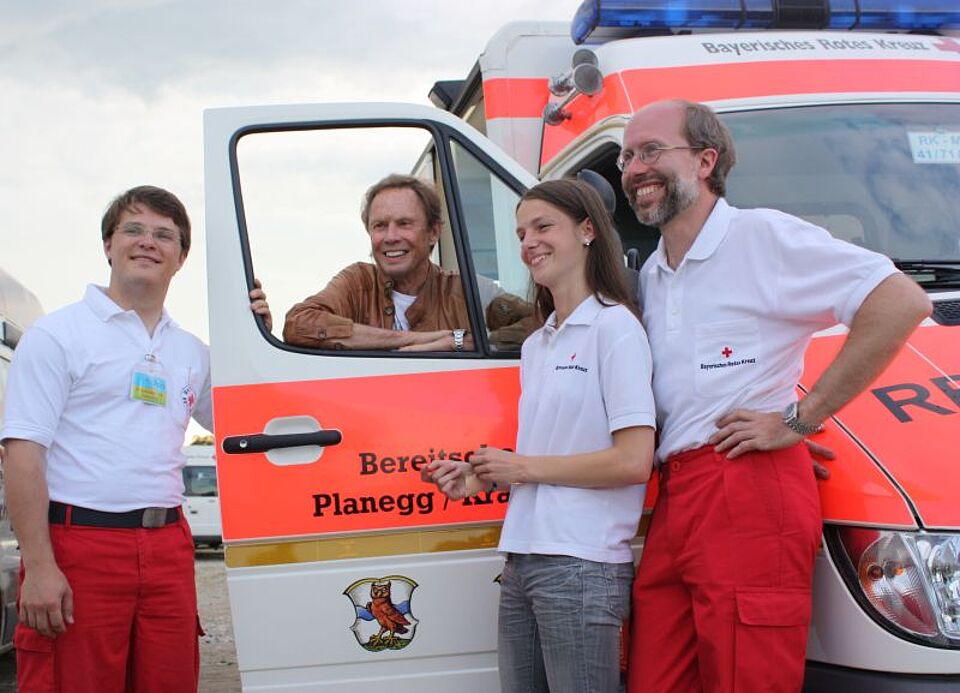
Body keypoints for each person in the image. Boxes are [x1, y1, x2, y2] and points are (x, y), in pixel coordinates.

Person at [620, 100, 932, 692]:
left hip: (746, 490)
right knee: (655, 679)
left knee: (749, 678)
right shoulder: (653, 275)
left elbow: (901, 301)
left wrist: (798, 421)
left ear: (706, 160)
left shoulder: (760, 236)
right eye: (627, 157)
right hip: (678, 493)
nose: (635, 169)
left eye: (652, 151)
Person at [0, 185, 270, 692]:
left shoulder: (191, 352)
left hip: (168, 546)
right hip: (80, 544)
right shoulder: (57, 335)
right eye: (134, 229)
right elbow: (22, 454)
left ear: (181, 257)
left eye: (164, 235)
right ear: (108, 245)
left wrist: (255, 340)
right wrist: (39, 565)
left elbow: (251, 424)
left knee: (168, 681)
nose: (148, 242)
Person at [428, 179, 656, 693]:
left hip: (582, 562)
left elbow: (633, 461)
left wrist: (521, 467)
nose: (529, 242)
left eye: (543, 227)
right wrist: (484, 476)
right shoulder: (538, 344)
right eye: (521, 234)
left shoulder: (616, 328)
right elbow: (554, 454)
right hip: (523, 558)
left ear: (588, 231)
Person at [283, 173, 475, 352]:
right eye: (380, 226)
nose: (390, 237)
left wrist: (457, 343)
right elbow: (297, 324)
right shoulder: (357, 283)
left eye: (404, 224)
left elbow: (494, 339)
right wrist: (414, 339)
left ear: (433, 232)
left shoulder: (466, 291)